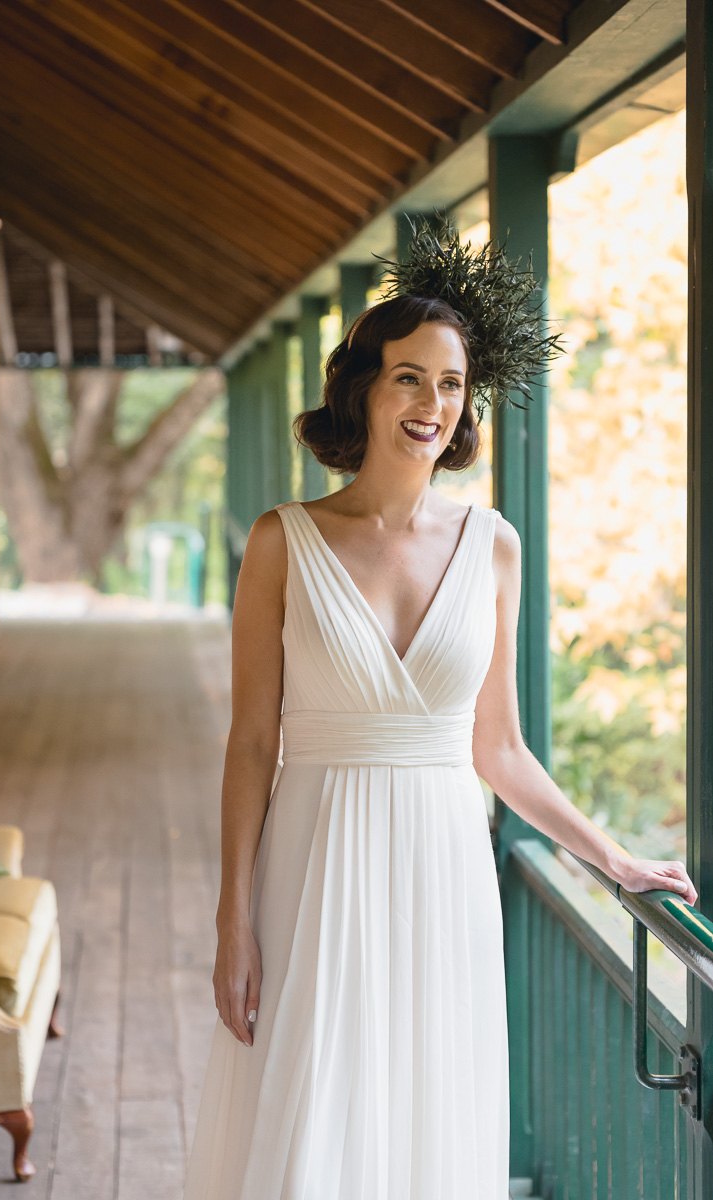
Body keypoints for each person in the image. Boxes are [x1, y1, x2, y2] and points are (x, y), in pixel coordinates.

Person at [182, 219, 698, 1200]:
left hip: (443, 871)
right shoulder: (282, 542)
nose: (431, 402)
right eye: (409, 377)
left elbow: (499, 749)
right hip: (316, 863)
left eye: (451, 383)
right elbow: (251, 744)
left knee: (426, 1122)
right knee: (314, 1120)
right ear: (364, 388)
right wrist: (232, 920)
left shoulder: (494, 545)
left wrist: (616, 860)